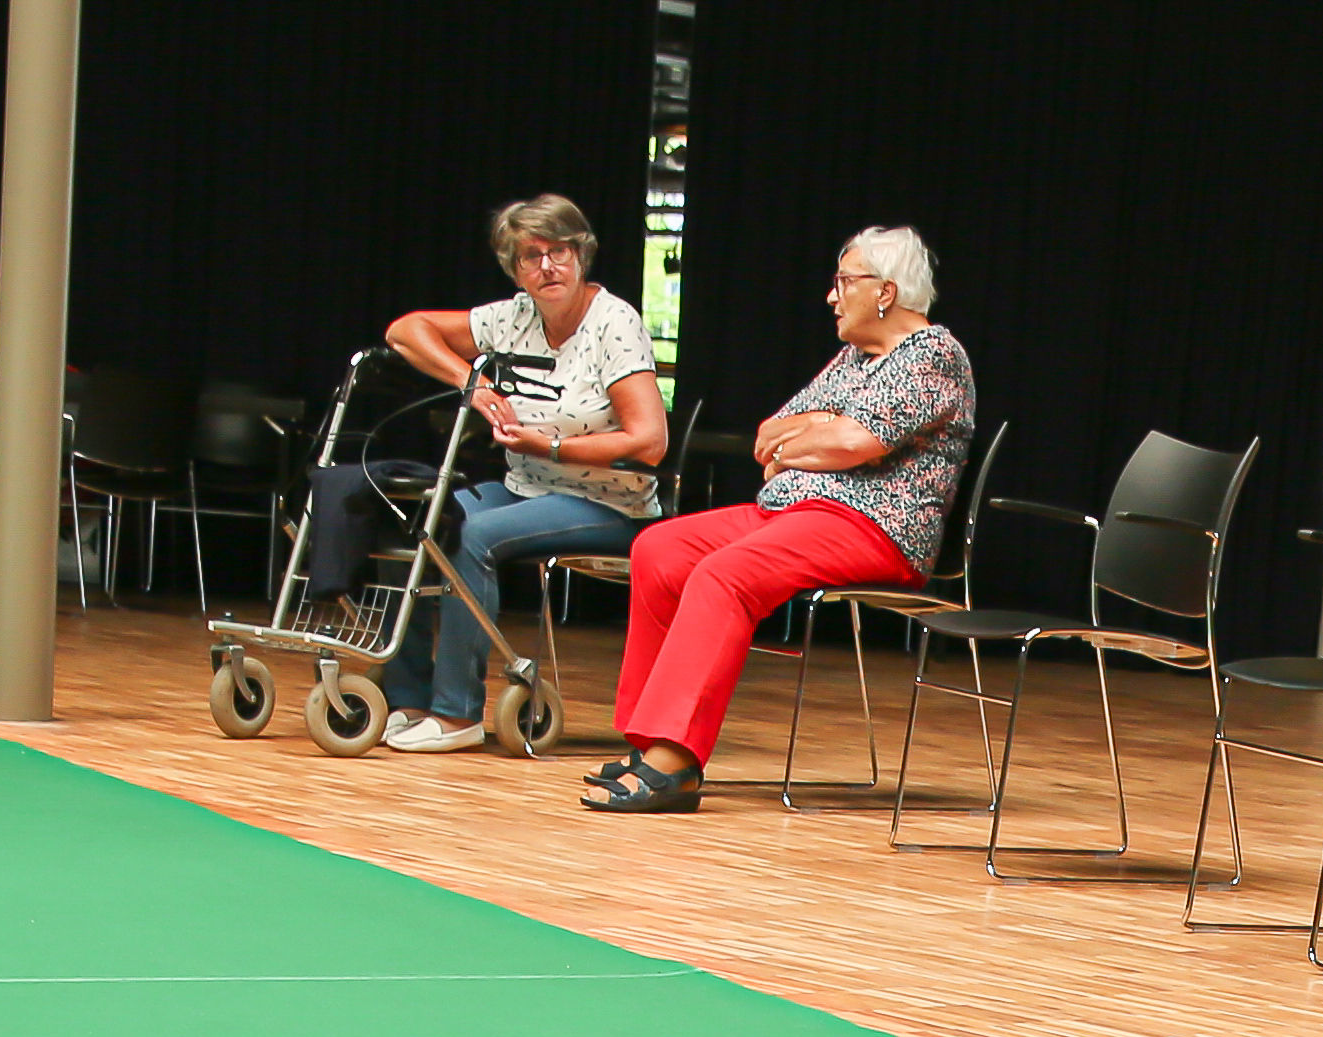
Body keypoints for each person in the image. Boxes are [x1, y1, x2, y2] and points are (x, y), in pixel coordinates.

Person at [583, 228, 971, 813]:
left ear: (886, 291)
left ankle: (674, 763)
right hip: (789, 512)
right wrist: (812, 434)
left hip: (873, 524)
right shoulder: (855, 357)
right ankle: (648, 739)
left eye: (844, 282)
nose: (831, 297)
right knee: (660, 548)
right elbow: (768, 435)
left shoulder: (934, 355)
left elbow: (852, 443)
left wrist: (819, 435)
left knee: (724, 574)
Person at [306, 196, 667, 753]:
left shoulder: (613, 323)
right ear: (514, 269)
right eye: (530, 256)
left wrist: (549, 444)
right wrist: (470, 382)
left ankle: (457, 715)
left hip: (608, 502)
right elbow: (406, 331)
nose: (547, 267)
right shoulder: (513, 316)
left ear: (581, 255)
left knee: (473, 535)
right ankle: (408, 698)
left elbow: (650, 443)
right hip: (526, 488)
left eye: (559, 252)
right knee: (421, 517)